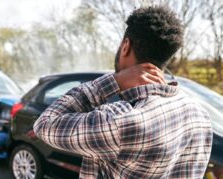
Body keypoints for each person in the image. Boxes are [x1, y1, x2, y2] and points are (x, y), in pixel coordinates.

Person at [34, 6, 212, 179]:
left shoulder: (120, 121)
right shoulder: (199, 115)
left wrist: (113, 81)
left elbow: (45, 125)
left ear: (126, 45)